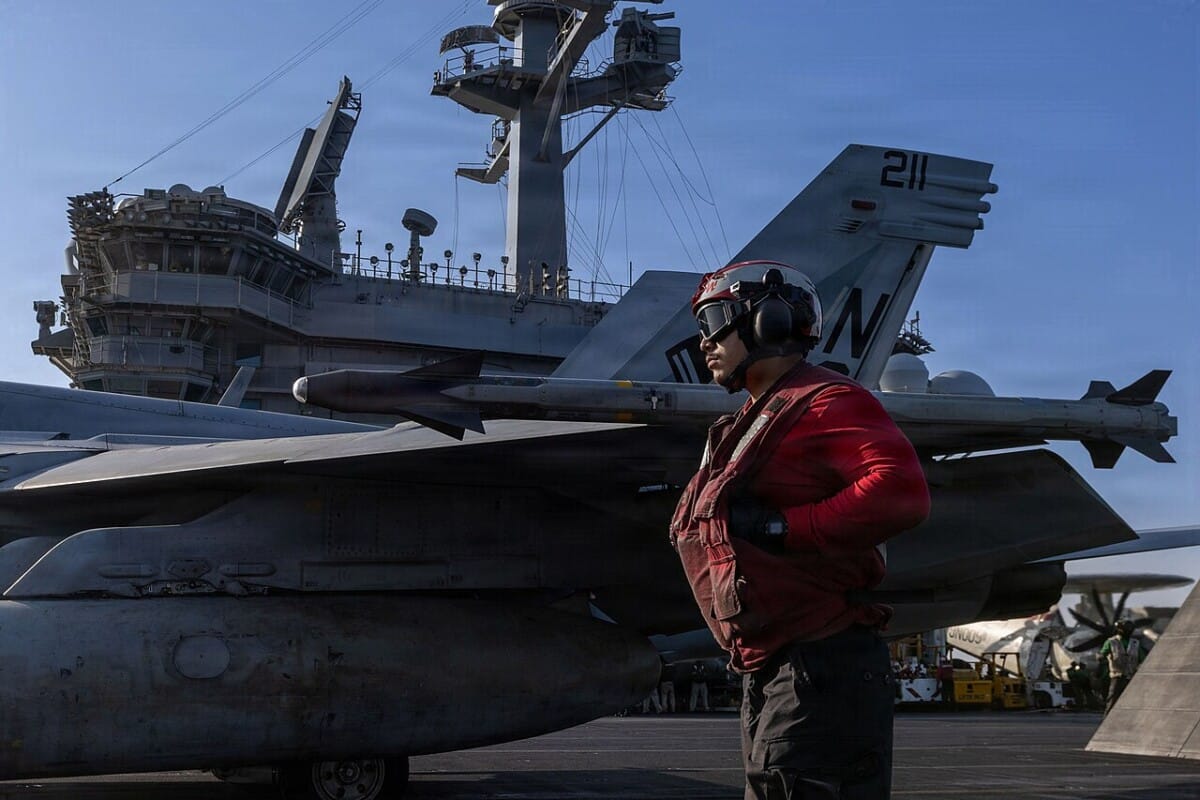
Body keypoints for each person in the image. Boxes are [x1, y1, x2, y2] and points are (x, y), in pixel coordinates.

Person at [671, 261, 930, 799]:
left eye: (716, 319)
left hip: (820, 665)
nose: (704, 342)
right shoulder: (752, 421)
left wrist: (784, 527)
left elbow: (899, 490)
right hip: (778, 668)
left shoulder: (826, 400)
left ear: (767, 321)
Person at [1100, 619, 1143, 714]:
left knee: (1132, 703)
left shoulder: (1135, 643)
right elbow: (1102, 654)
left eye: (1131, 628)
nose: (1129, 630)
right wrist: (1100, 657)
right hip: (1117, 676)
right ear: (1120, 629)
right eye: (1127, 628)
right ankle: (1107, 720)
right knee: (1112, 700)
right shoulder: (1111, 642)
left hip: (1131, 677)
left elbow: (1142, 659)